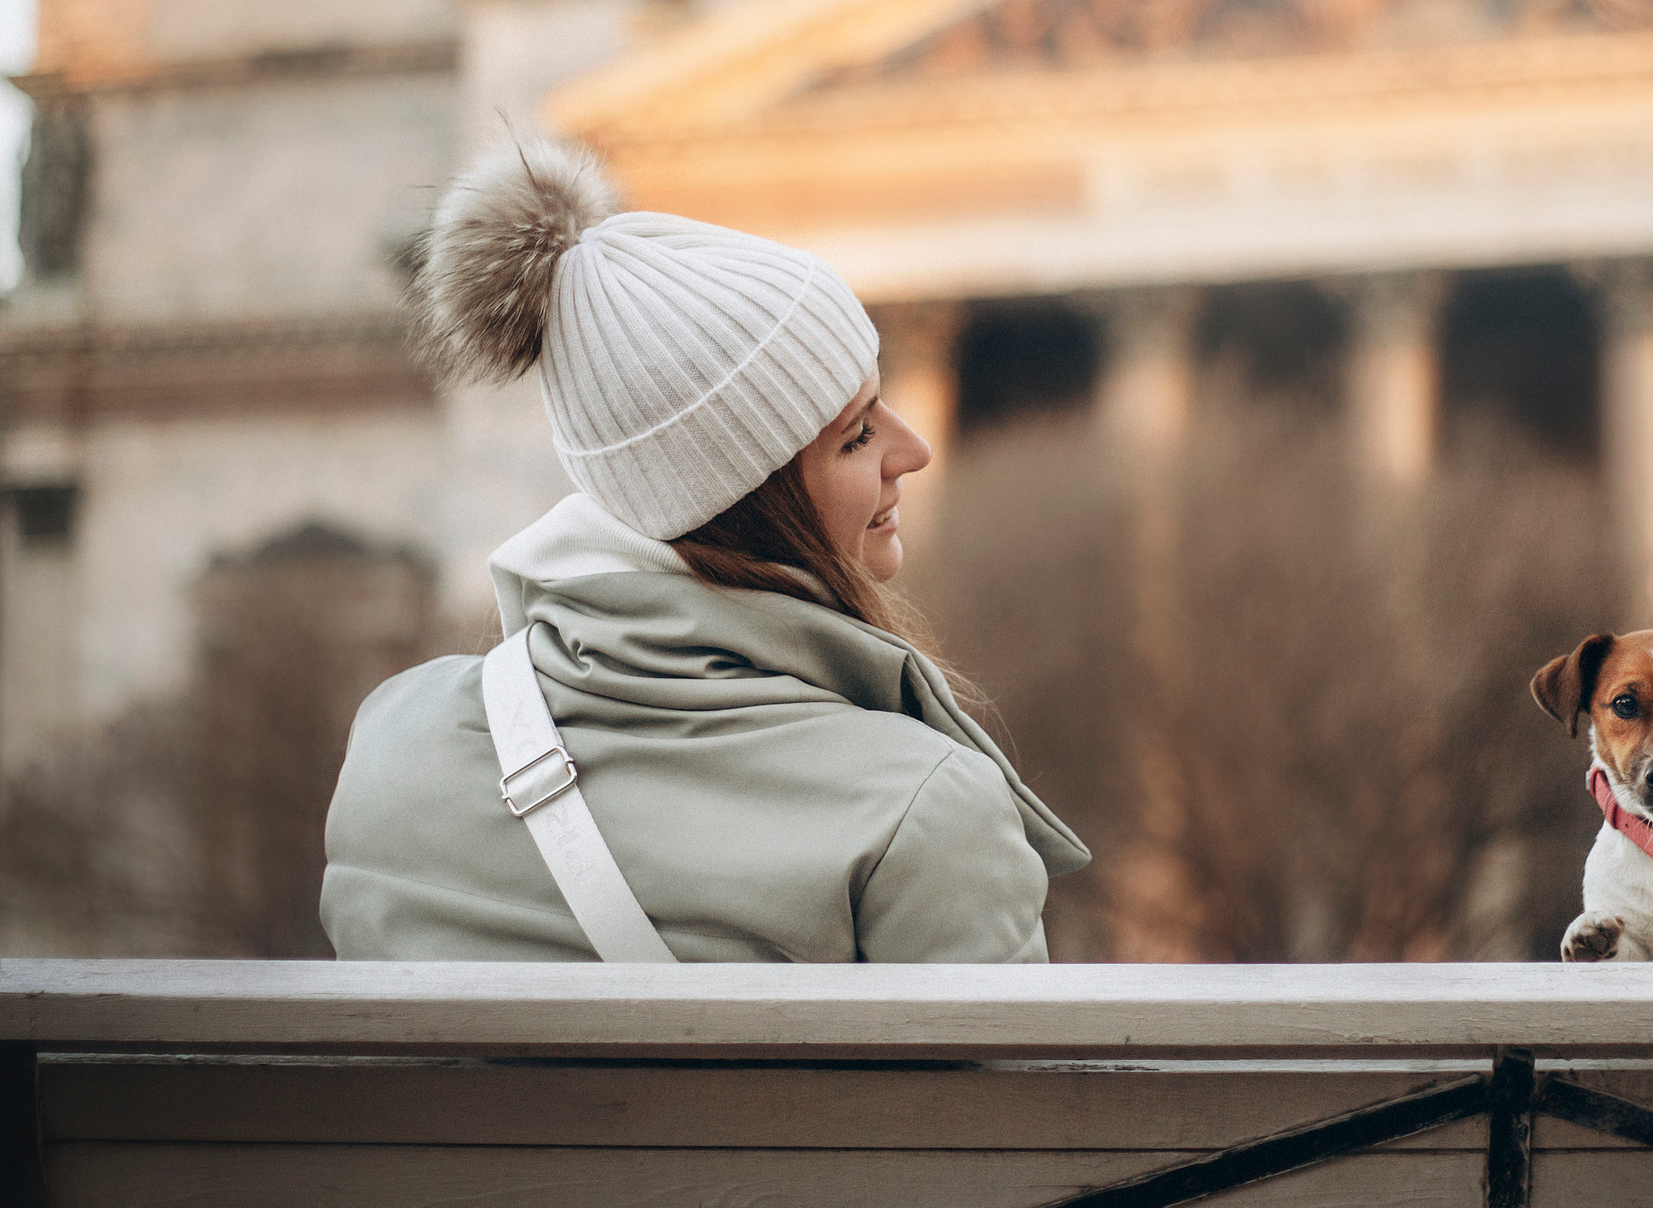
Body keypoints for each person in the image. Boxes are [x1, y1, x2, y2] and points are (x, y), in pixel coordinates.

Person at [320, 139, 1087, 961]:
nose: (915, 449)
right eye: (857, 436)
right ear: (748, 497)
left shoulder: (393, 747)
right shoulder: (921, 814)